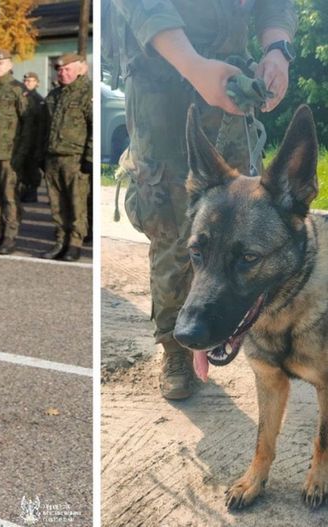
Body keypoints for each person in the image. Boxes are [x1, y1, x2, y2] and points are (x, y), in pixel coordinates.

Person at [109, 0, 296, 399]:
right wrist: (193, 65)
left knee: (244, 228)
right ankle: (177, 347)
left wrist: (277, 51)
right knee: (174, 229)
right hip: (164, 92)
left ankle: (236, 326)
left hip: (231, 87)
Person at [0, 51, 33, 255]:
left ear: (10, 64)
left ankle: (10, 237)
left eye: (1, 63)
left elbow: (28, 125)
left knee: (9, 197)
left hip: (9, 154)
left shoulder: (18, 90)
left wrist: (21, 155)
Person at [40, 53, 91, 262]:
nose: (62, 73)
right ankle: (60, 241)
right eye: (59, 70)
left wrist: (90, 156)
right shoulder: (53, 96)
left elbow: (93, 126)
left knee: (76, 204)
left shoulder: (87, 93)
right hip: (53, 158)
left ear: (80, 69)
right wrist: (39, 155)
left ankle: (75, 243)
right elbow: (44, 128)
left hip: (75, 159)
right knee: (57, 204)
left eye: (67, 69)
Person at [19, 72, 46, 203]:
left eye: (31, 81)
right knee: (22, 167)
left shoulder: (39, 100)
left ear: (37, 83)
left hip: (33, 139)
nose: (27, 83)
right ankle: (24, 190)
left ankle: (32, 191)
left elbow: (41, 122)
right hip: (21, 139)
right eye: (26, 80)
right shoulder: (21, 97)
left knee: (32, 168)